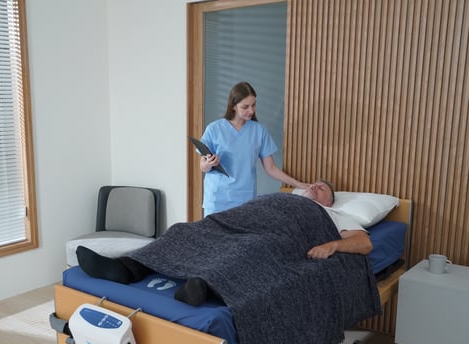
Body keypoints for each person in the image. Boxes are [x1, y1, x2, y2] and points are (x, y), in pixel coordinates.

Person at [76, 180, 373, 306]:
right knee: (186, 231)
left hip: (278, 234)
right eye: (312, 183)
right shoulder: (281, 197)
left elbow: (364, 244)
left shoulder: (332, 214)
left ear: (329, 200)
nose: (313, 186)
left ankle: (200, 286)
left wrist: (332, 246)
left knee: (248, 249)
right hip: (244, 218)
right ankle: (126, 268)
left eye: (321, 188)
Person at [199, 81, 309, 216]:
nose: (251, 111)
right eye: (245, 107)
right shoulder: (214, 129)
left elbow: (271, 168)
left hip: (244, 199)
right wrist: (209, 164)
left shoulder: (259, 131)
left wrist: (299, 184)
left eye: (253, 105)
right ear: (233, 106)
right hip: (217, 199)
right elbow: (203, 167)